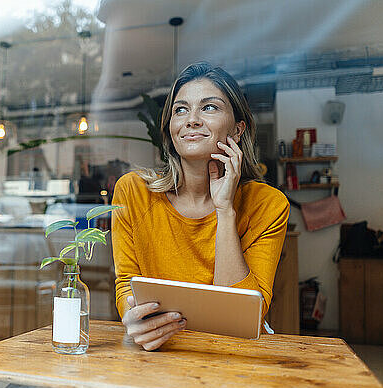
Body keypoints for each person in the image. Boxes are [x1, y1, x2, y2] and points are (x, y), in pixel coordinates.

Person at [111, 62, 289, 351]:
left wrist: (225, 210)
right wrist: (133, 320)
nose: (191, 120)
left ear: (238, 129)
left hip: (236, 355)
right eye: (180, 110)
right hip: (161, 351)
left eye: (209, 108)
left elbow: (239, 317)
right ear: (170, 130)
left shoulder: (267, 205)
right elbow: (127, 287)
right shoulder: (133, 192)